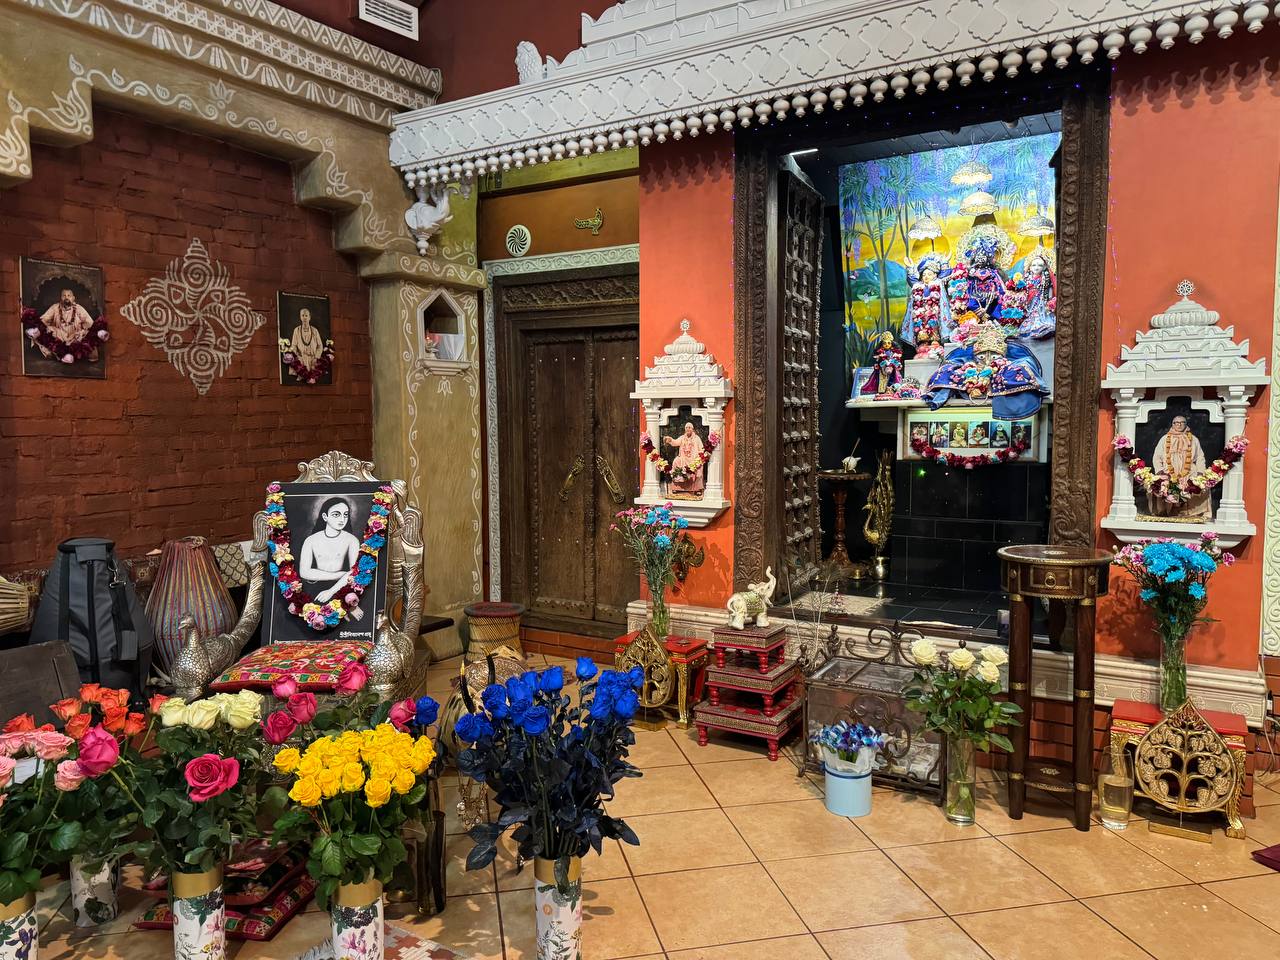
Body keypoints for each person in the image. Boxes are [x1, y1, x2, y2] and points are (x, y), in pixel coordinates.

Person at [298, 496, 364, 617]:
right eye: (336, 514)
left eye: (345, 514)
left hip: (341, 586)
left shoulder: (352, 540)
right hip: (314, 586)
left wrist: (331, 591)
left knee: (353, 617)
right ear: (325, 517)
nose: (342, 519)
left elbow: (354, 571)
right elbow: (304, 572)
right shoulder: (311, 540)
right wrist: (340, 574)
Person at [1150, 415, 1212, 520]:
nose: (1179, 425)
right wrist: (1160, 471)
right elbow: (1157, 456)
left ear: (1186, 424)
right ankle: (1170, 512)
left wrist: (1200, 472)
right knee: (1163, 486)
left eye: (1182, 422)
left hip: (1189, 471)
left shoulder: (1194, 439)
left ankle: (1190, 513)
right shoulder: (1164, 439)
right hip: (1169, 471)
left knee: (1197, 486)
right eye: (1176, 423)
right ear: (1172, 424)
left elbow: (1200, 457)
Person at [35, 288, 95, 357]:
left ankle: (72, 354)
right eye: (64, 295)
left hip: (75, 337)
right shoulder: (55, 307)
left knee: (89, 333)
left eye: (69, 295)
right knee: (39, 330)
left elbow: (90, 323)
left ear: (73, 298)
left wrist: (82, 332)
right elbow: (44, 319)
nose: (66, 297)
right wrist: (44, 328)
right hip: (59, 336)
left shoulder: (79, 308)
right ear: (61, 298)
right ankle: (54, 352)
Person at [664, 422, 706, 496]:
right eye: (686, 427)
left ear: (692, 429)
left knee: (698, 464)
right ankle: (677, 487)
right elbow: (675, 442)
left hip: (693, 459)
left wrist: (700, 456)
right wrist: (670, 440)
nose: (688, 429)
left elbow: (701, 449)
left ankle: (697, 489)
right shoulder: (682, 437)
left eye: (689, 427)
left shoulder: (697, 438)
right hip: (683, 458)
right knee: (676, 461)